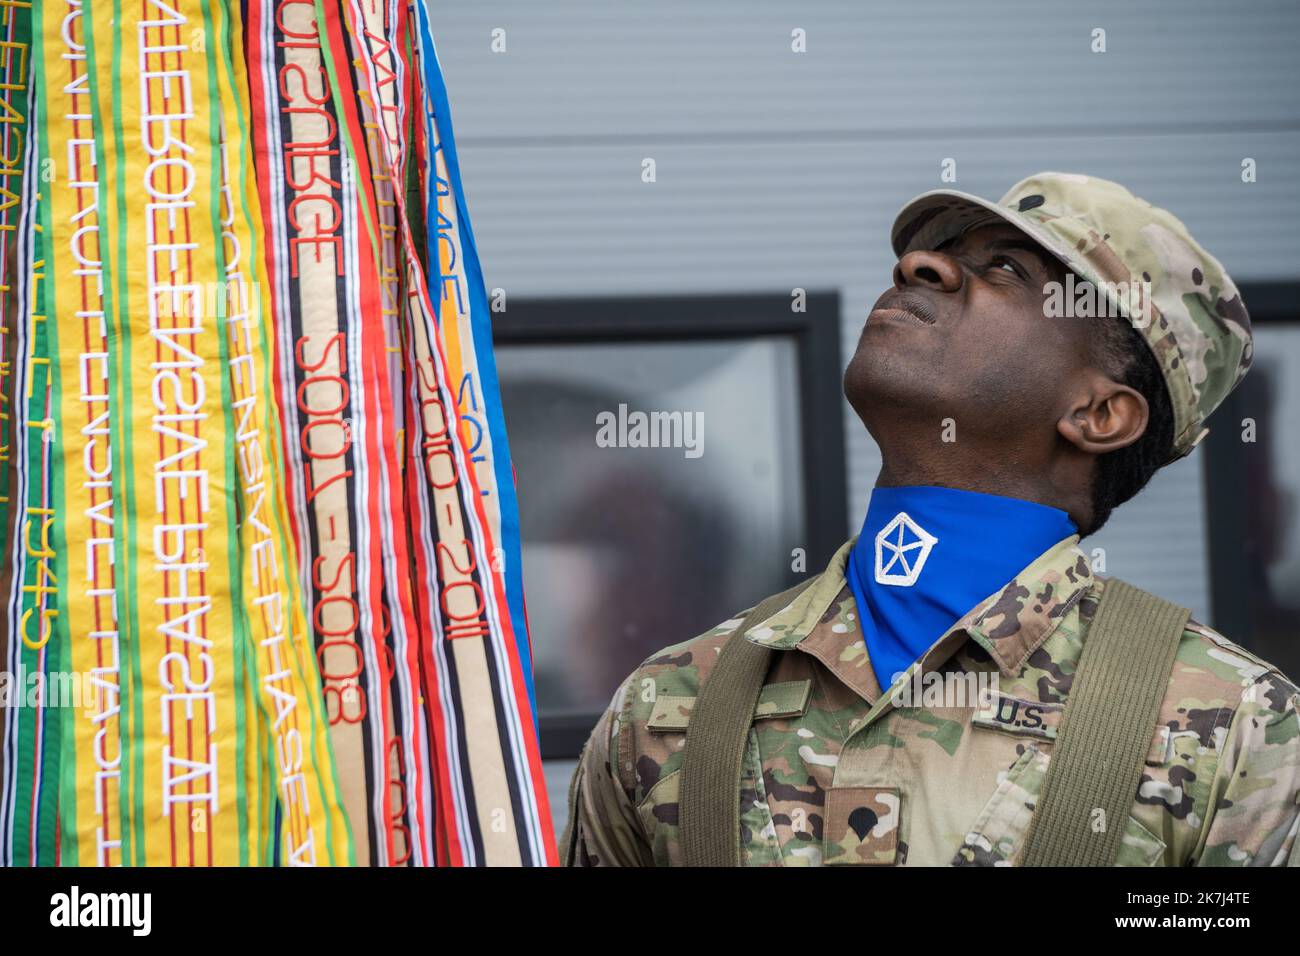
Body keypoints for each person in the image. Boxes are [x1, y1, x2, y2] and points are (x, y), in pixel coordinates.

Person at [560, 173, 1300, 867]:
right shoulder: (669, 703)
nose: (920, 265)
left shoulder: (1237, 730)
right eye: (939, 253)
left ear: (1099, 414)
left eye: (1007, 270)